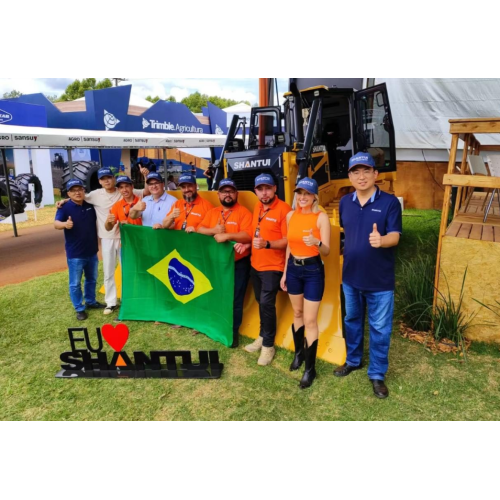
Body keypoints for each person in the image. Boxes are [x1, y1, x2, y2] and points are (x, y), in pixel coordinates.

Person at [334, 152, 402, 399]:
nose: (361, 176)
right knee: (352, 321)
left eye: (366, 171)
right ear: (349, 176)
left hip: (380, 280)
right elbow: (347, 232)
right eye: (355, 172)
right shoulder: (344, 203)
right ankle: (353, 361)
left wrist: (381, 240)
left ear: (376, 174)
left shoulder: (390, 202)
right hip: (351, 277)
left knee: (380, 328)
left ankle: (377, 374)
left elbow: (395, 236)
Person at [57, 166, 149, 315]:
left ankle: (129, 299)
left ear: (113, 179)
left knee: (128, 268)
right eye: (103, 179)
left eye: (109, 177)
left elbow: (145, 191)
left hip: (125, 237)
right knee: (108, 271)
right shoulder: (95, 195)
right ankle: (111, 302)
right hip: (107, 237)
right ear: (99, 181)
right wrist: (64, 201)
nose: (106, 181)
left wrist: (146, 176)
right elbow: (77, 196)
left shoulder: (122, 190)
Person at [280, 177, 331, 389]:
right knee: (298, 314)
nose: (302, 198)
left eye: (307, 194)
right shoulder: (291, 216)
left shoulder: (321, 218)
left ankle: (310, 369)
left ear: (314, 197)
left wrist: (317, 242)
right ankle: (298, 355)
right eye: (299, 193)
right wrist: (284, 273)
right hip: (293, 269)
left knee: (310, 320)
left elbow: (327, 251)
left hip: (313, 270)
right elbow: (289, 246)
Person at [237, 174, 292, 366]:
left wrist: (267, 244)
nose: (264, 192)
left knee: (267, 304)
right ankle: (262, 335)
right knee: (261, 302)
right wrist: (248, 246)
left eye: (267, 188)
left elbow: (288, 241)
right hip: (255, 263)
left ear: (275, 188)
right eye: (260, 189)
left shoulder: (284, 209)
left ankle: (268, 345)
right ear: (255, 191)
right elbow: (255, 234)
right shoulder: (257, 206)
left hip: (273, 266)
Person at [198, 179, 252, 348]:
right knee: (217, 296)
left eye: (230, 191)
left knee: (235, 299)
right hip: (216, 264)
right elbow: (200, 229)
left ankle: (232, 332)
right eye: (224, 192)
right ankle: (216, 326)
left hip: (237, 264)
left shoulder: (244, 212)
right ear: (218, 194)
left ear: (236, 194)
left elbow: (248, 236)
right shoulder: (213, 212)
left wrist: (227, 236)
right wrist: (213, 230)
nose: (227, 195)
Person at [54, 179, 104, 320]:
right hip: (75, 254)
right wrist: (65, 224)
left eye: (80, 189)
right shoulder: (64, 208)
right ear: (68, 193)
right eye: (73, 190)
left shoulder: (90, 205)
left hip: (92, 251)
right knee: (75, 283)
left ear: (84, 191)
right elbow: (56, 224)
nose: (77, 192)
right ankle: (79, 308)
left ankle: (91, 301)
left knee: (91, 279)